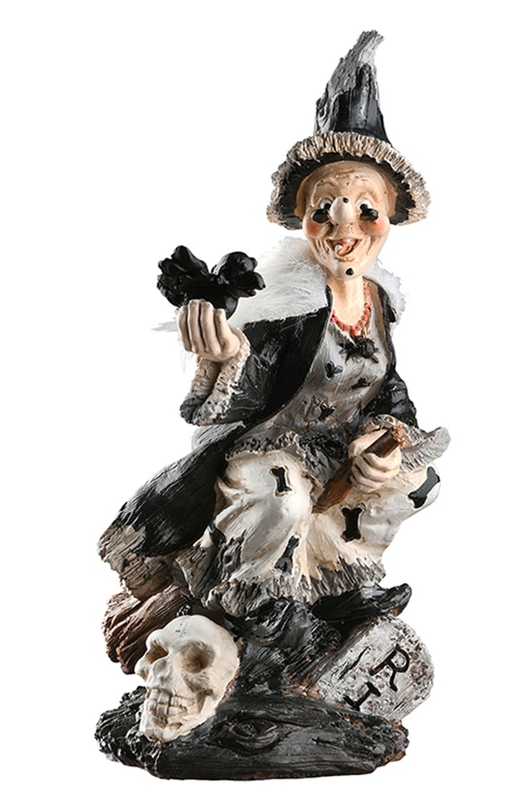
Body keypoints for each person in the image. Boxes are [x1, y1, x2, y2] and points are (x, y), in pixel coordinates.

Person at [100, 31, 448, 621]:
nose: (345, 228)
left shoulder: (379, 303)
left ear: (389, 217)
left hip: (336, 449)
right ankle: (251, 606)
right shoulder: (287, 306)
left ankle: (338, 587)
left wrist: (382, 440)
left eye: (366, 209)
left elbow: (386, 386)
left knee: (416, 484)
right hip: (272, 448)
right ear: (305, 218)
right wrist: (224, 353)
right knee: (282, 501)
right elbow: (247, 386)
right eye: (325, 209)